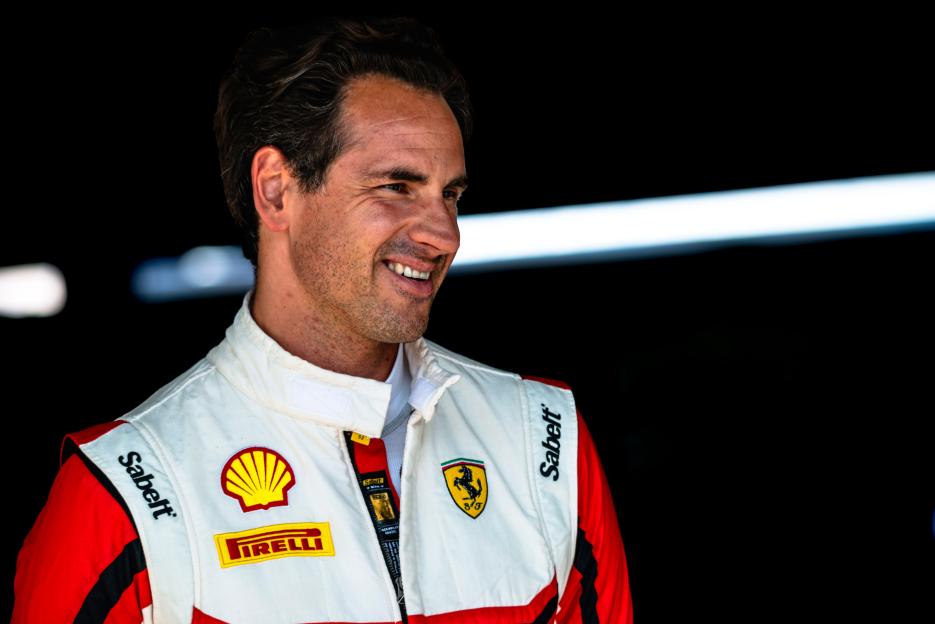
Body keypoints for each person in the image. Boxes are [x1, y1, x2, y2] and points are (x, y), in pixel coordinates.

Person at [13, 17, 634, 623]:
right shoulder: (124, 493)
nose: (444, 234)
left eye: (451, 194)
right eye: (396, 186)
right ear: (277, 190)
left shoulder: (546, 443)